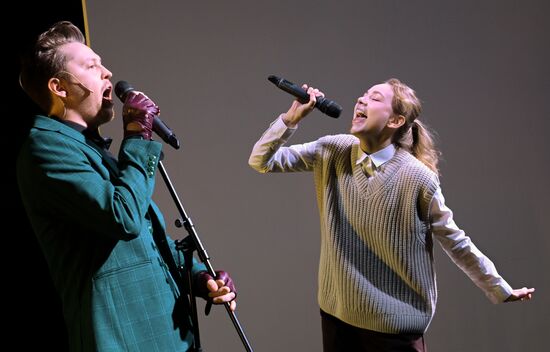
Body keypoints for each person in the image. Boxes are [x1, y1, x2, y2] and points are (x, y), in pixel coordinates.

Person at [248, 78, 535, 351]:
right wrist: (291, 119)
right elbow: (261, 160)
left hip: (393, 326)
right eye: (363, 95)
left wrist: (499, 288)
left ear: (396, 121)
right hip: (338, 316)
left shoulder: (418, 179)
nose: (361, 99)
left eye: (374, 98)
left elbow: (454, 240)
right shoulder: (332, 149)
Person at [17, 21, 237, 352]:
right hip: (126, 340)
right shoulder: (46, 148)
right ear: (59, 87)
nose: (107, 73)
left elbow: (142, 244)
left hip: (167, 336)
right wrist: (136, 136)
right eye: (91, 66)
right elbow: (123, 218)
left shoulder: (89, 148)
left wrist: (199, 278)